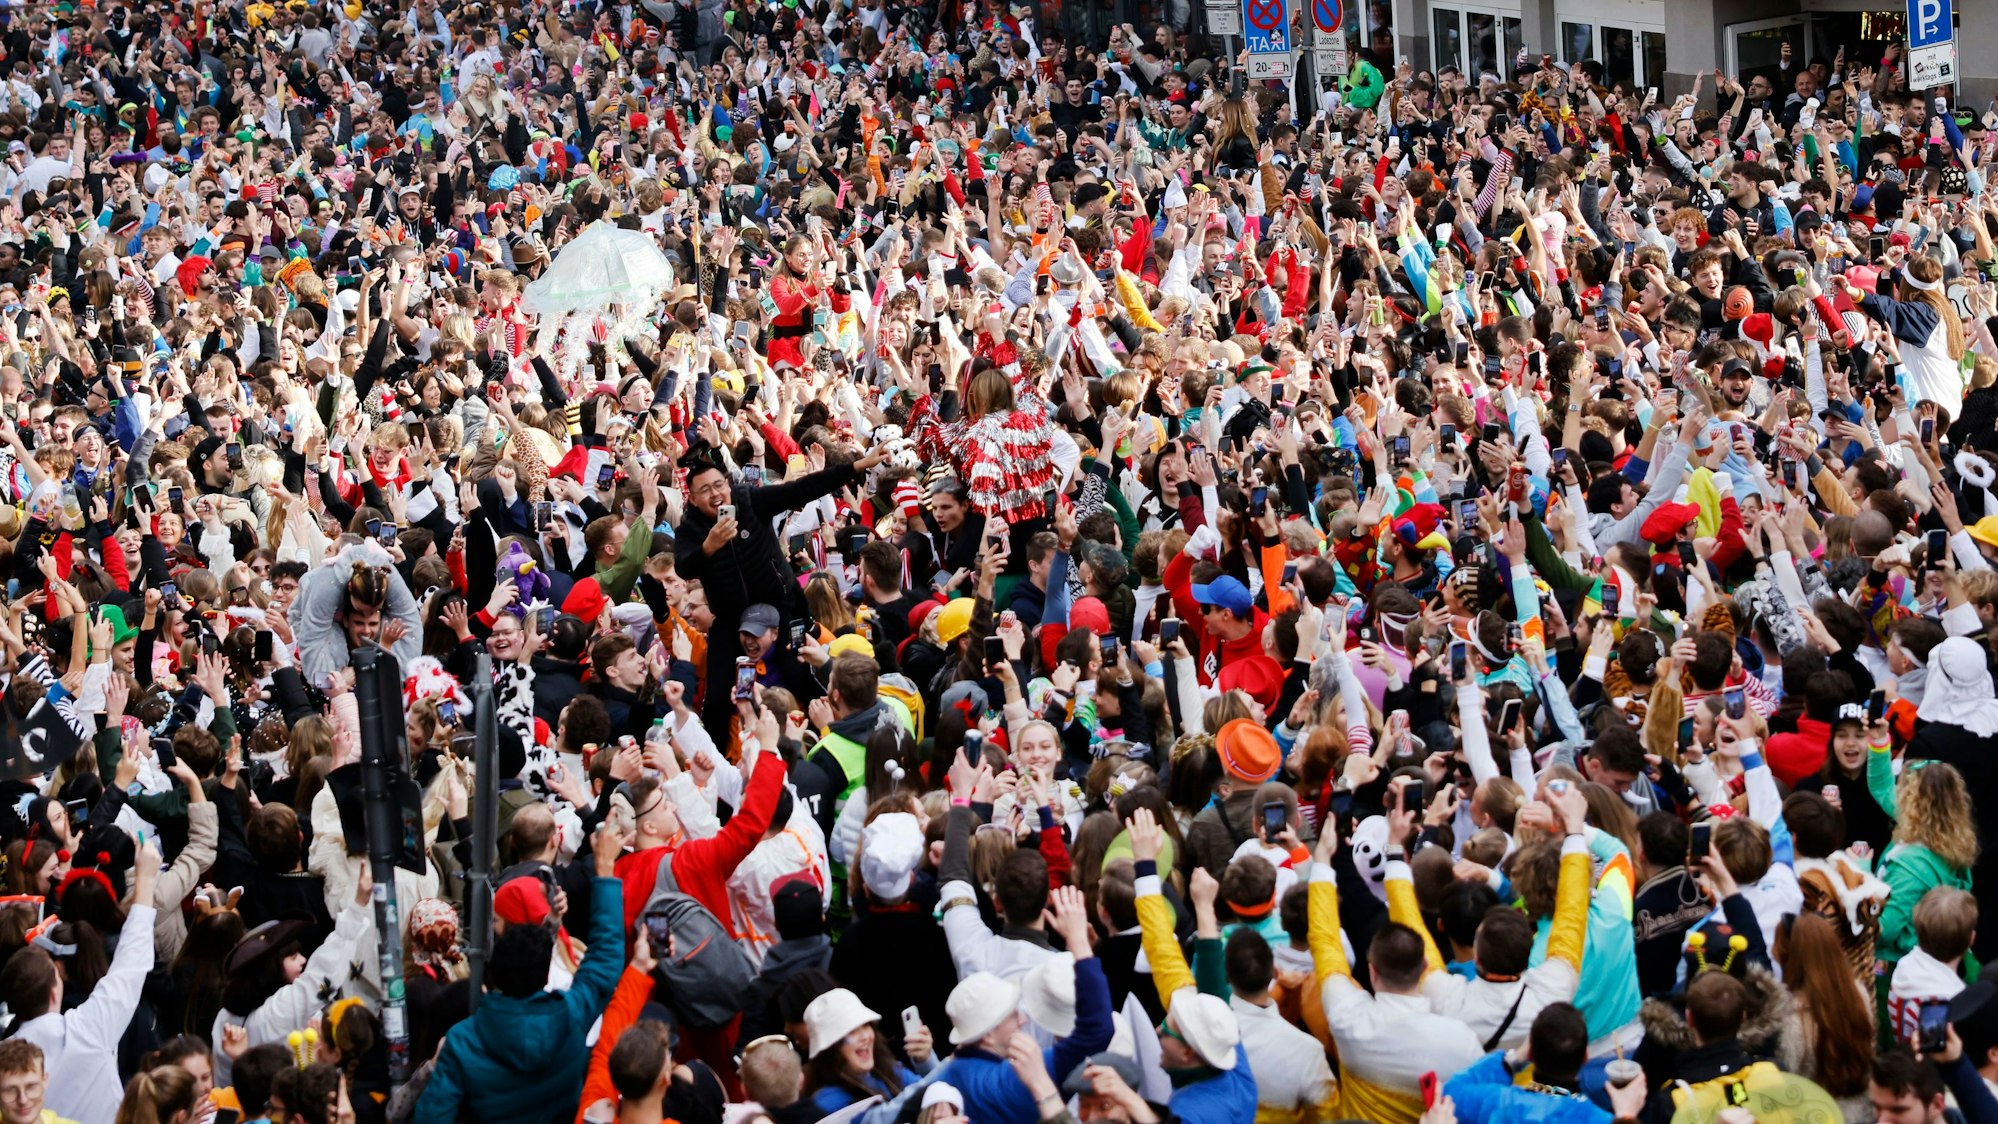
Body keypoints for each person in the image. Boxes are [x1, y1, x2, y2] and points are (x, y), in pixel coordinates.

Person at [414, 824, 626, 1123]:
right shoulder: (572, 1013)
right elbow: (606, 960)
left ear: (496, 973)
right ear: (543, 974)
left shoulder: (463, 1041)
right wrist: (605, 871)